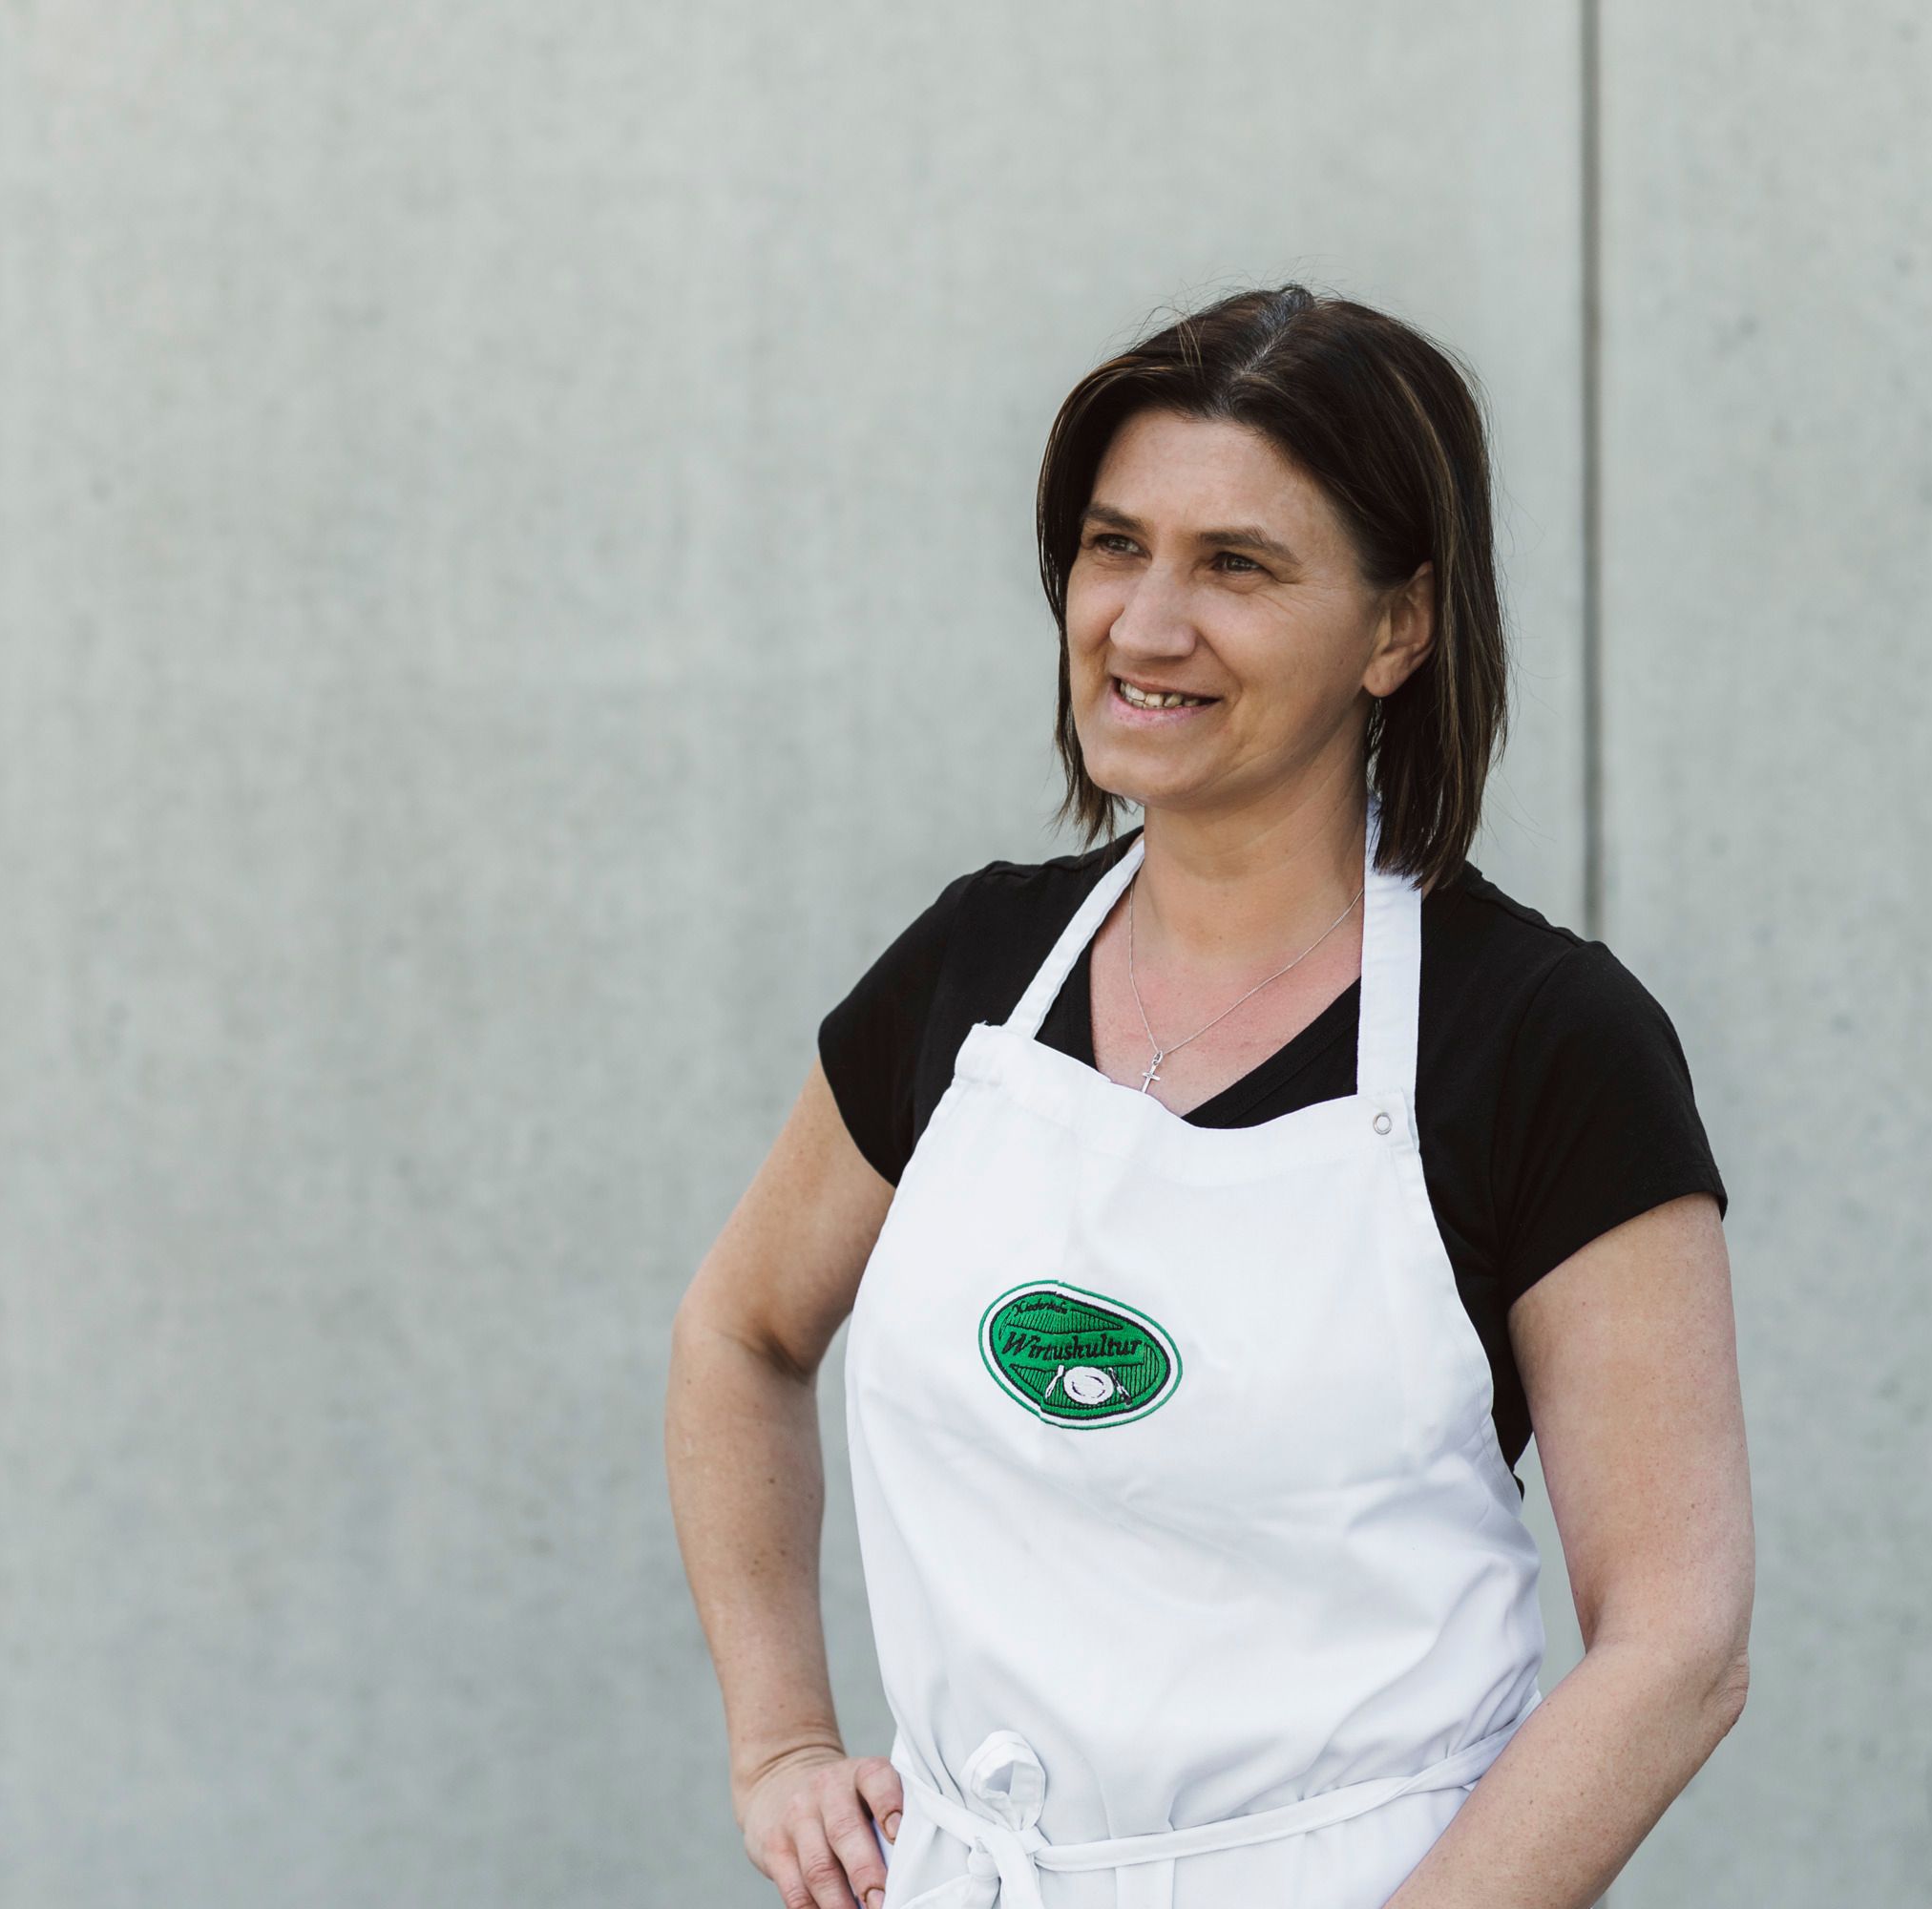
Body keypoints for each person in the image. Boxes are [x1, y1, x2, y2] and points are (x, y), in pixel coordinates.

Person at [667, 285, 1754, 1909]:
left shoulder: (1542, 1041)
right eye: (1116, 548)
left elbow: (1679, 1641)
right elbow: (739, 1338)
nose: (1147, 624)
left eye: (1236, 566)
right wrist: (781, 1744)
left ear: (1400, 627)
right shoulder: (975, 968)